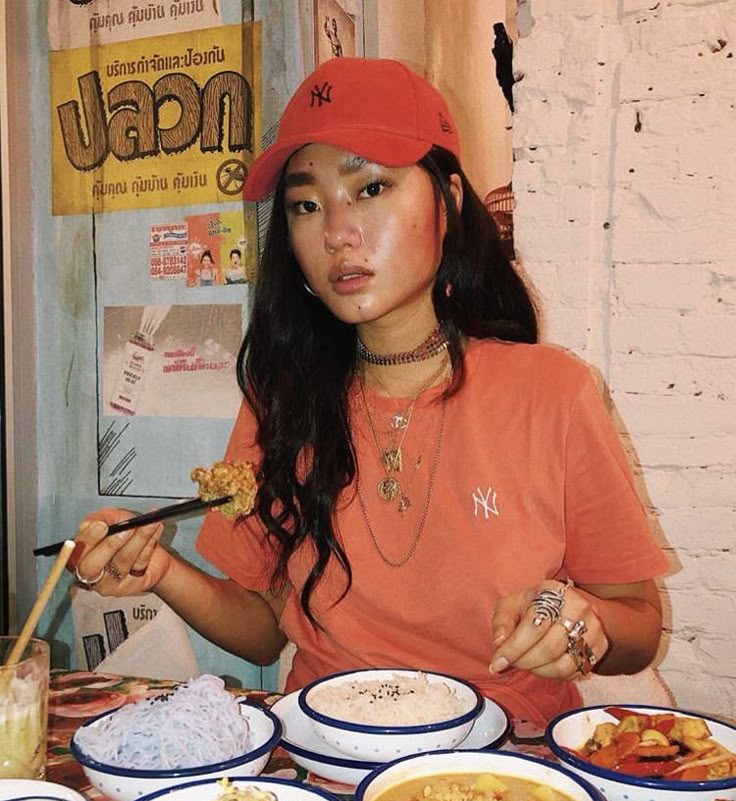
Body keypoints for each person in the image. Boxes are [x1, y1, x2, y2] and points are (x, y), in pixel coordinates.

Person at [70, 57, 669, 725]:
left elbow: (640, 622)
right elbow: (268, 624)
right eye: (305, 203)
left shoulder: (553, 391)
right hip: (324, 756)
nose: (335, 232)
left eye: (372, 188)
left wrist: (570, 618)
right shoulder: (282, 399)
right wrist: (160, 573)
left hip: (506, 770)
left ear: (451, 200)